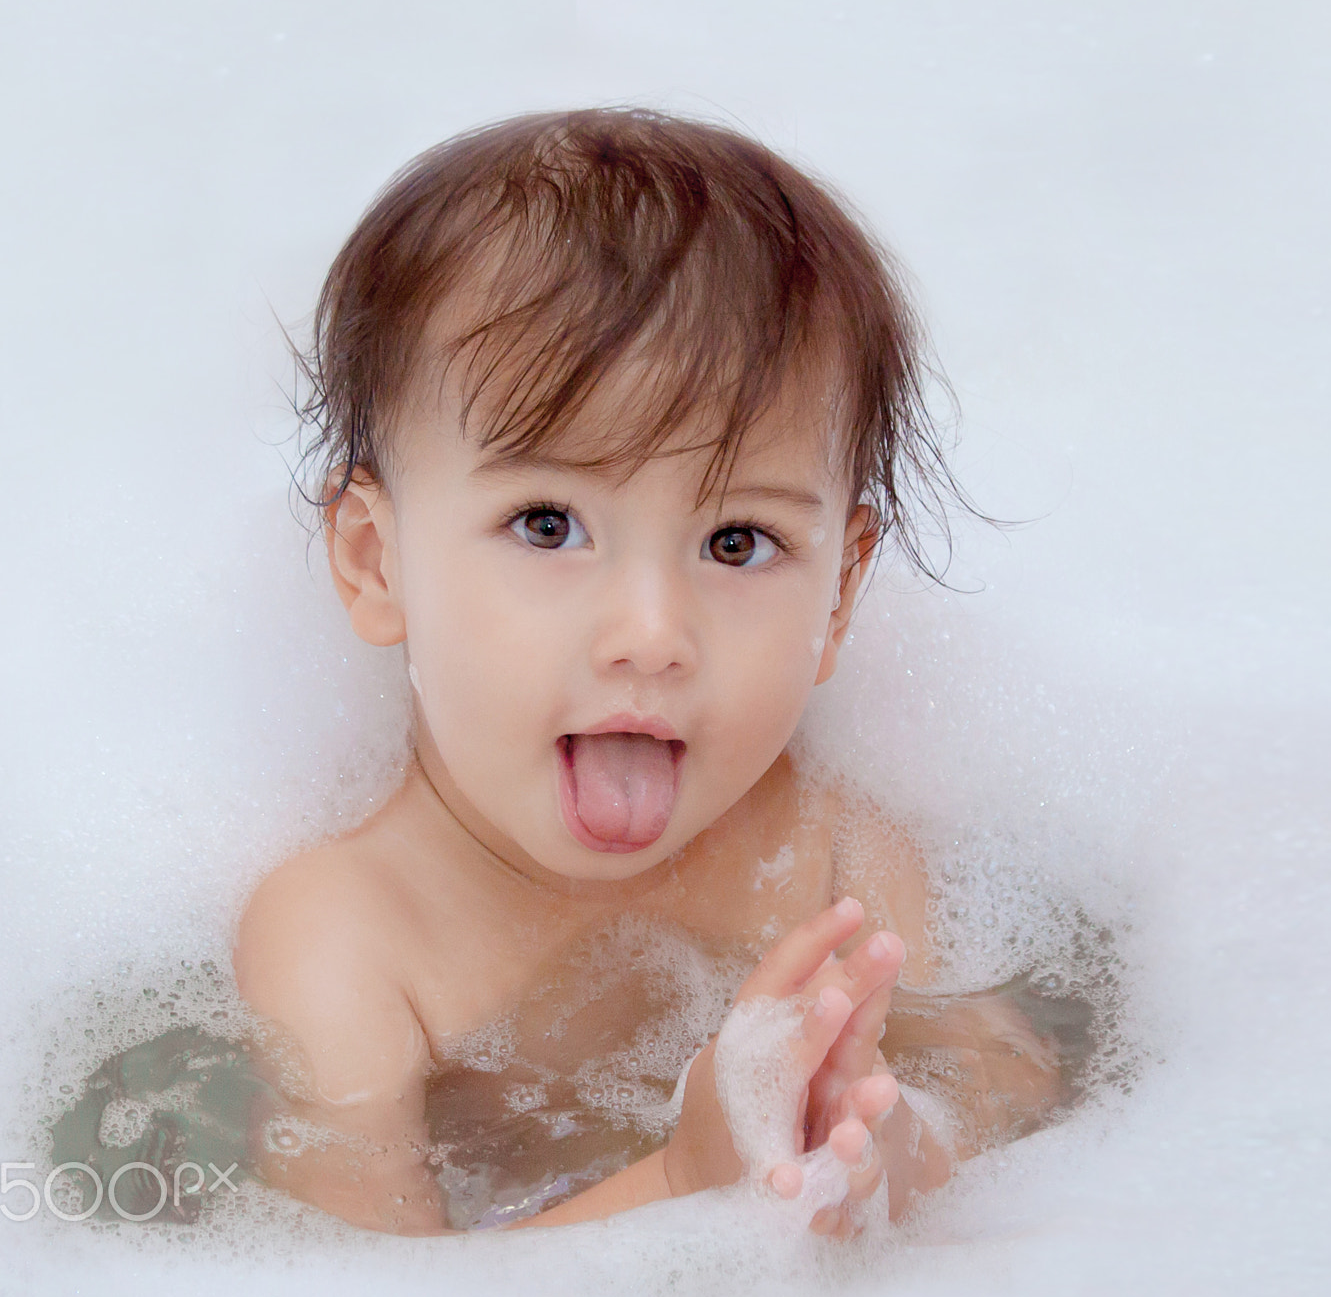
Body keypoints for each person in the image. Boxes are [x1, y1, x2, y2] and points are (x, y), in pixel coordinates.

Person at [228, 108, 1068, 1236]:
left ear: (840, 595)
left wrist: (883, 1149)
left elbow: (1010, 1088)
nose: (651, 634)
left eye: (736, 543)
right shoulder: (345, 939)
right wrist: (678, 1187)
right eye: (545, 523)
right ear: (378, 562)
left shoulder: (834, 859)